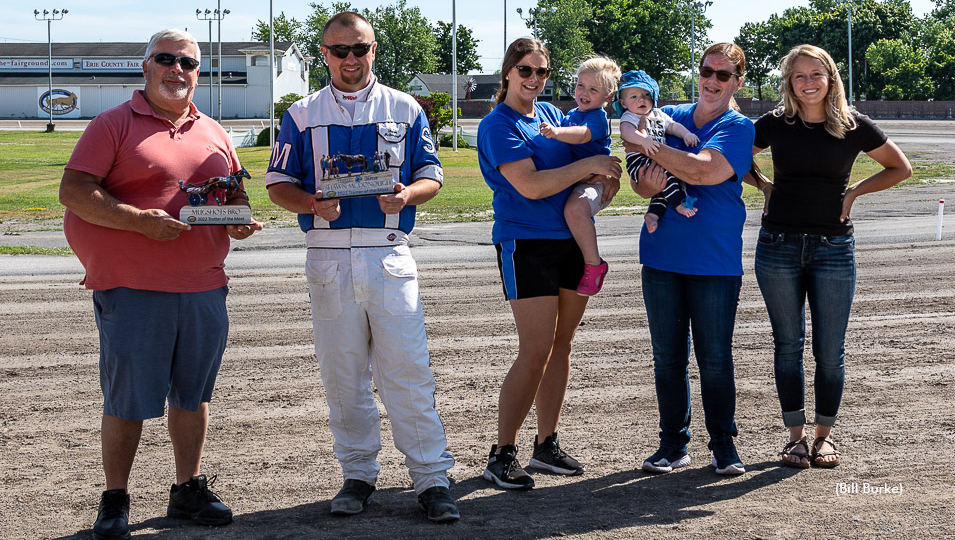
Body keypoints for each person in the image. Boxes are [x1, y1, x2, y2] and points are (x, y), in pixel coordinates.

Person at [58, 28, 262, 540]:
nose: (177, 69)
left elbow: (232, 197)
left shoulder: (214, 131)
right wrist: (137, 221)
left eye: (187, 62)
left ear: (199, 72)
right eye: (166, 59)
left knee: (193, 395)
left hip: (203, 284)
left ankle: (187, 489)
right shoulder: (113, 123)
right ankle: (115, 498)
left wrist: (237, 221)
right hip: (132, 286)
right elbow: (74, 191)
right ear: (146, 66)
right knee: (126, 399)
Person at [264, 11, 459, 523]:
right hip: (327, 255)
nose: (350, 59)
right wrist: (311, 204)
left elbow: (432, 175)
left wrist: (407, 196)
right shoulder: (301, 113)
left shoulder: (405, 106)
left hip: (388, 251)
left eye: (360, 48)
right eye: (339, 50)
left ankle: (432, 479)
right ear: (324, 54)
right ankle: (357, 474)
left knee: (408, 372)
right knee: (342, 375)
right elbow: (278, 184)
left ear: (374, 49)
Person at [747, 44, 911, 469]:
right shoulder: (774, 123)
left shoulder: (853, 125)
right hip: (778, 245)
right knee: (787, 346)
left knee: (830, 350)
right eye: (799, 75)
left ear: (831, 78)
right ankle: (796, 439)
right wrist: (763, 185)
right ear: (789, 82)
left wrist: (855, 191)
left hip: (834, 249)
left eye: (816, 74)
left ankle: (824, 437)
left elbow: (900, 168)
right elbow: (734, 157)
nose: (808, 82)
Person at [477, 38, 622, 490]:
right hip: (526, 243)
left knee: (561, 345)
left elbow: (596, 173)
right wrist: (593, 165)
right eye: (525, 70)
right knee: (536, 348)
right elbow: (533, 186)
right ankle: (502, 453)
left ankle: (546, 444)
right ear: (508, 72)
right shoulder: (497, 125)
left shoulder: (552, 115)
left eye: (542, 71)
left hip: (570, 243)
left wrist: (603, 183)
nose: (534, 79)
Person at [626, 43, 754, 476]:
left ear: (738, 82)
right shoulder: (668, 115)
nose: (712, 81)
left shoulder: (738, 127)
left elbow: (703, 169)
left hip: (715, 260)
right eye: (706, 71)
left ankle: (724, 446)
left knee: (715, 359)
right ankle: (672, 444)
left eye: (724, 74)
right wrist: (648, 174)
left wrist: (649, 148)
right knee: (667, 358)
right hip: (661, 255)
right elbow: (641, 182)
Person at [537, 56, 621, 296]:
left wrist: (557, 132)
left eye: (593, 90)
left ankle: (594, 264)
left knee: (575, 210)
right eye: (580, 85)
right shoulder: (574, 112)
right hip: (580, 178)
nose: (584, 93)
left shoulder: (597, 119)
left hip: (595, 182)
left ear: (608, 97)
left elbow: (582, 134)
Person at [616, 70, 701, 234]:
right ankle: (679, 203)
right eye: (634, 96)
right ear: (623, 103)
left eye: (646, 94)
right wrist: (643, 140)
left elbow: (673, 126)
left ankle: (653, 215)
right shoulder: (630, 116)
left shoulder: (659, 114)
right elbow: (626, 132)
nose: (641, 99)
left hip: (656, 160)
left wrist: (686, 134)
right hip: (639, 161)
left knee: (663, 188)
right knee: (667, 175)